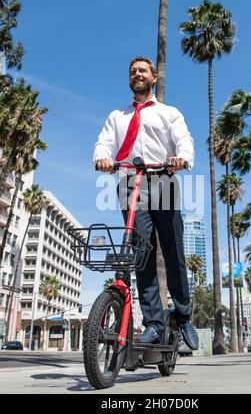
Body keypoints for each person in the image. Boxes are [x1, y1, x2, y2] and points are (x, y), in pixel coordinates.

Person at [93, 56, 199, 350]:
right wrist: (102, 158)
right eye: (132, 71)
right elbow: (104, 143)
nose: (137, 74)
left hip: (162, 180)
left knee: (173, 248)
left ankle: (183, 314)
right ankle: (153, 323)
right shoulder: (117, 115)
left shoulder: (169, 113)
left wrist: (181, 159)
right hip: (130, 183)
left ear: (154, 78)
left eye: (142, 70)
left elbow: (184, 141)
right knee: (142, 254)